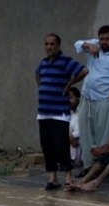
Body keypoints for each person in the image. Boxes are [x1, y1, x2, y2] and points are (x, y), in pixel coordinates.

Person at [74, 25, 109, 174]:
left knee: (103, 133)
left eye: (107, 39)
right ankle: (87, 166)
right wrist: (89, 44)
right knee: (85, 131)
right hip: (87, 95)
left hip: (105, 98)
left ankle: (99, 166)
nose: (104, 42)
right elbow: (77, 44)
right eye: (101, 39)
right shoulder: (93, 46)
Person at [36, 33, 88, 190]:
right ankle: (52, 178)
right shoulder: (43, 63)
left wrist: (69, 83)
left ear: (58, 46)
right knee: (47, 145)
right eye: (47, 44)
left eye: (52, 44)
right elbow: (37, 74)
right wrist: (42, 87)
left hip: (60, 112)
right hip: (44, 111)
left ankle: (68, 178)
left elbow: (84, 71)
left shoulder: (65, 61)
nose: (49, 47)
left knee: (61, 145)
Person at [68, 86, 83, 169]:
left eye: (71, 98)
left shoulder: (83, 111)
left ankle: (74, 161)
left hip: (80, 139)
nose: (69, 101)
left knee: (77, 139)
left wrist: (72, 136)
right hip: (71, 139)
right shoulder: (68, 112)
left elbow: (80, 130)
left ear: (78, 97)